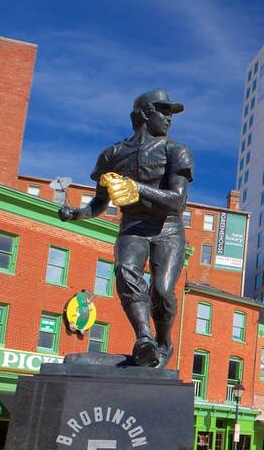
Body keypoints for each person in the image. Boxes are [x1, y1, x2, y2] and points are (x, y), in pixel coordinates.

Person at [59, 89, 193, 368]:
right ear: (145, 113)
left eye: (171, 113)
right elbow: (99, 201)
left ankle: (163, 341)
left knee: (163, 290)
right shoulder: (113, 154)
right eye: (163, 111)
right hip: (133, 226)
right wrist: (78, 214)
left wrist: (136, 187)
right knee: (125, 271)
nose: (169, 118)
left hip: (168, 229)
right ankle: (144, 338)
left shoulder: (176, 151)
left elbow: (178, 201)